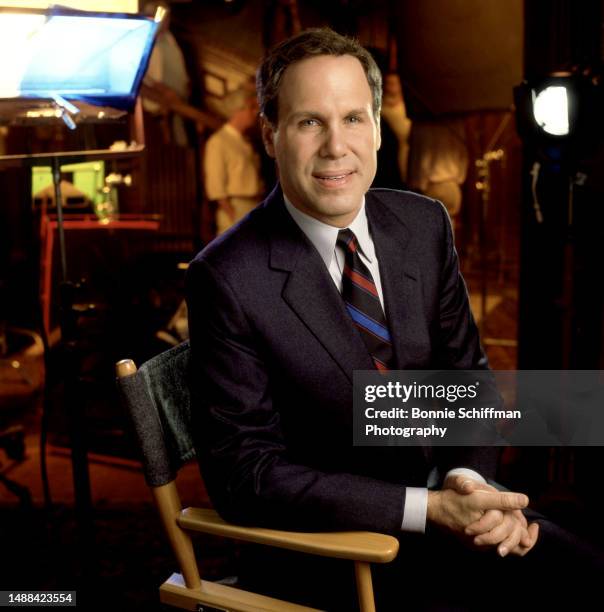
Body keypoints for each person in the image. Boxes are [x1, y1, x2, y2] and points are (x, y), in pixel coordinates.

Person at [186, 28, 601, 611]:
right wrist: (430, 510)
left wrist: (470, 484)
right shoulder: (226, 276)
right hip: (336, 550)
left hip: (452, 499)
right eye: (310, 122)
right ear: (269, 134)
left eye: (354, 118)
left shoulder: (423, 224)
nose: (337, 146)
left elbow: (466, 379)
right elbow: (246, 476)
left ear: (378, 128)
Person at [203, 86, 266, 235]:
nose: (255, 113)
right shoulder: (219, 141)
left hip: (254, 205)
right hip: (235, 208)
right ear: (238, 110)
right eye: (251, 108)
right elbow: (216, 186)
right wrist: (233, 215)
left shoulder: (246, 141)